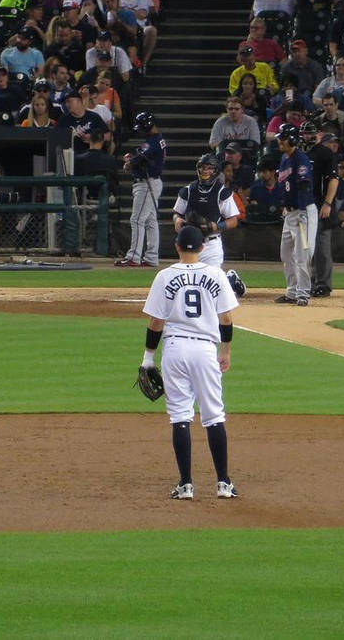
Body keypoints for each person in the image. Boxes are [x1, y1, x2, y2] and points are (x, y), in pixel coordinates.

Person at [141, 225, 239, 501]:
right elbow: (226, 319)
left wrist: (148, 357)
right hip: (205, 349)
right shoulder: (216, 274)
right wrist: (226, 351)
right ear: (203, 248)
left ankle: (185, 485)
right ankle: (223, 483)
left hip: (174, 348)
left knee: (180, 416)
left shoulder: (164, 276)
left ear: (177, 247)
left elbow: (156, 322)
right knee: (214, 415)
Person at [172, 154, 245, 298]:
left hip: (211, 243)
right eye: (202, 168)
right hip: (189, 243)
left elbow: (233, 220)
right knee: (188, 284)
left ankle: (229, 280)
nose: (205, 171)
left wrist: (215, 226)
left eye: (209, 168)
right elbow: (177, 213)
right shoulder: (188, 190)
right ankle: (227, 279)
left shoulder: (222, 192)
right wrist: (177, 221)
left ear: (215, 171)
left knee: (211, 289)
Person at [274, 123, 317, 306]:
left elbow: (304, 185)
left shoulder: (301, 159)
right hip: (290, 212)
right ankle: (291, 292)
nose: (279, 141)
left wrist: (301, 211)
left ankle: (303, 293)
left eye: (283, 138)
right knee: (286, 254)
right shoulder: (285, 158)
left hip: (303, 211)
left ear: (292, 140)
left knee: (302, 254)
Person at [116, 111, 165, 267]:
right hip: (151, 182)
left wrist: (130, 162)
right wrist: (133, 160)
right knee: (150, 220)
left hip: (147, 183)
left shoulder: (153, 141)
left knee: (137, 219)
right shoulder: (157, 139)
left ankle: (134, 256)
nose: (141, 131)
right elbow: (143, 157)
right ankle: (151, 257)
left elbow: (139, 158)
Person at [307, 131, 340, 297]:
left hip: (321, 206)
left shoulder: (326, 154)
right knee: (308, 247)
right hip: (306, 206)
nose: (334, 145)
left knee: (321, 246)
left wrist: (327, 203)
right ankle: (309, 282)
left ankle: (323, 284)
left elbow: (334, 179)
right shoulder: (303, 153)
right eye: (331, 141)